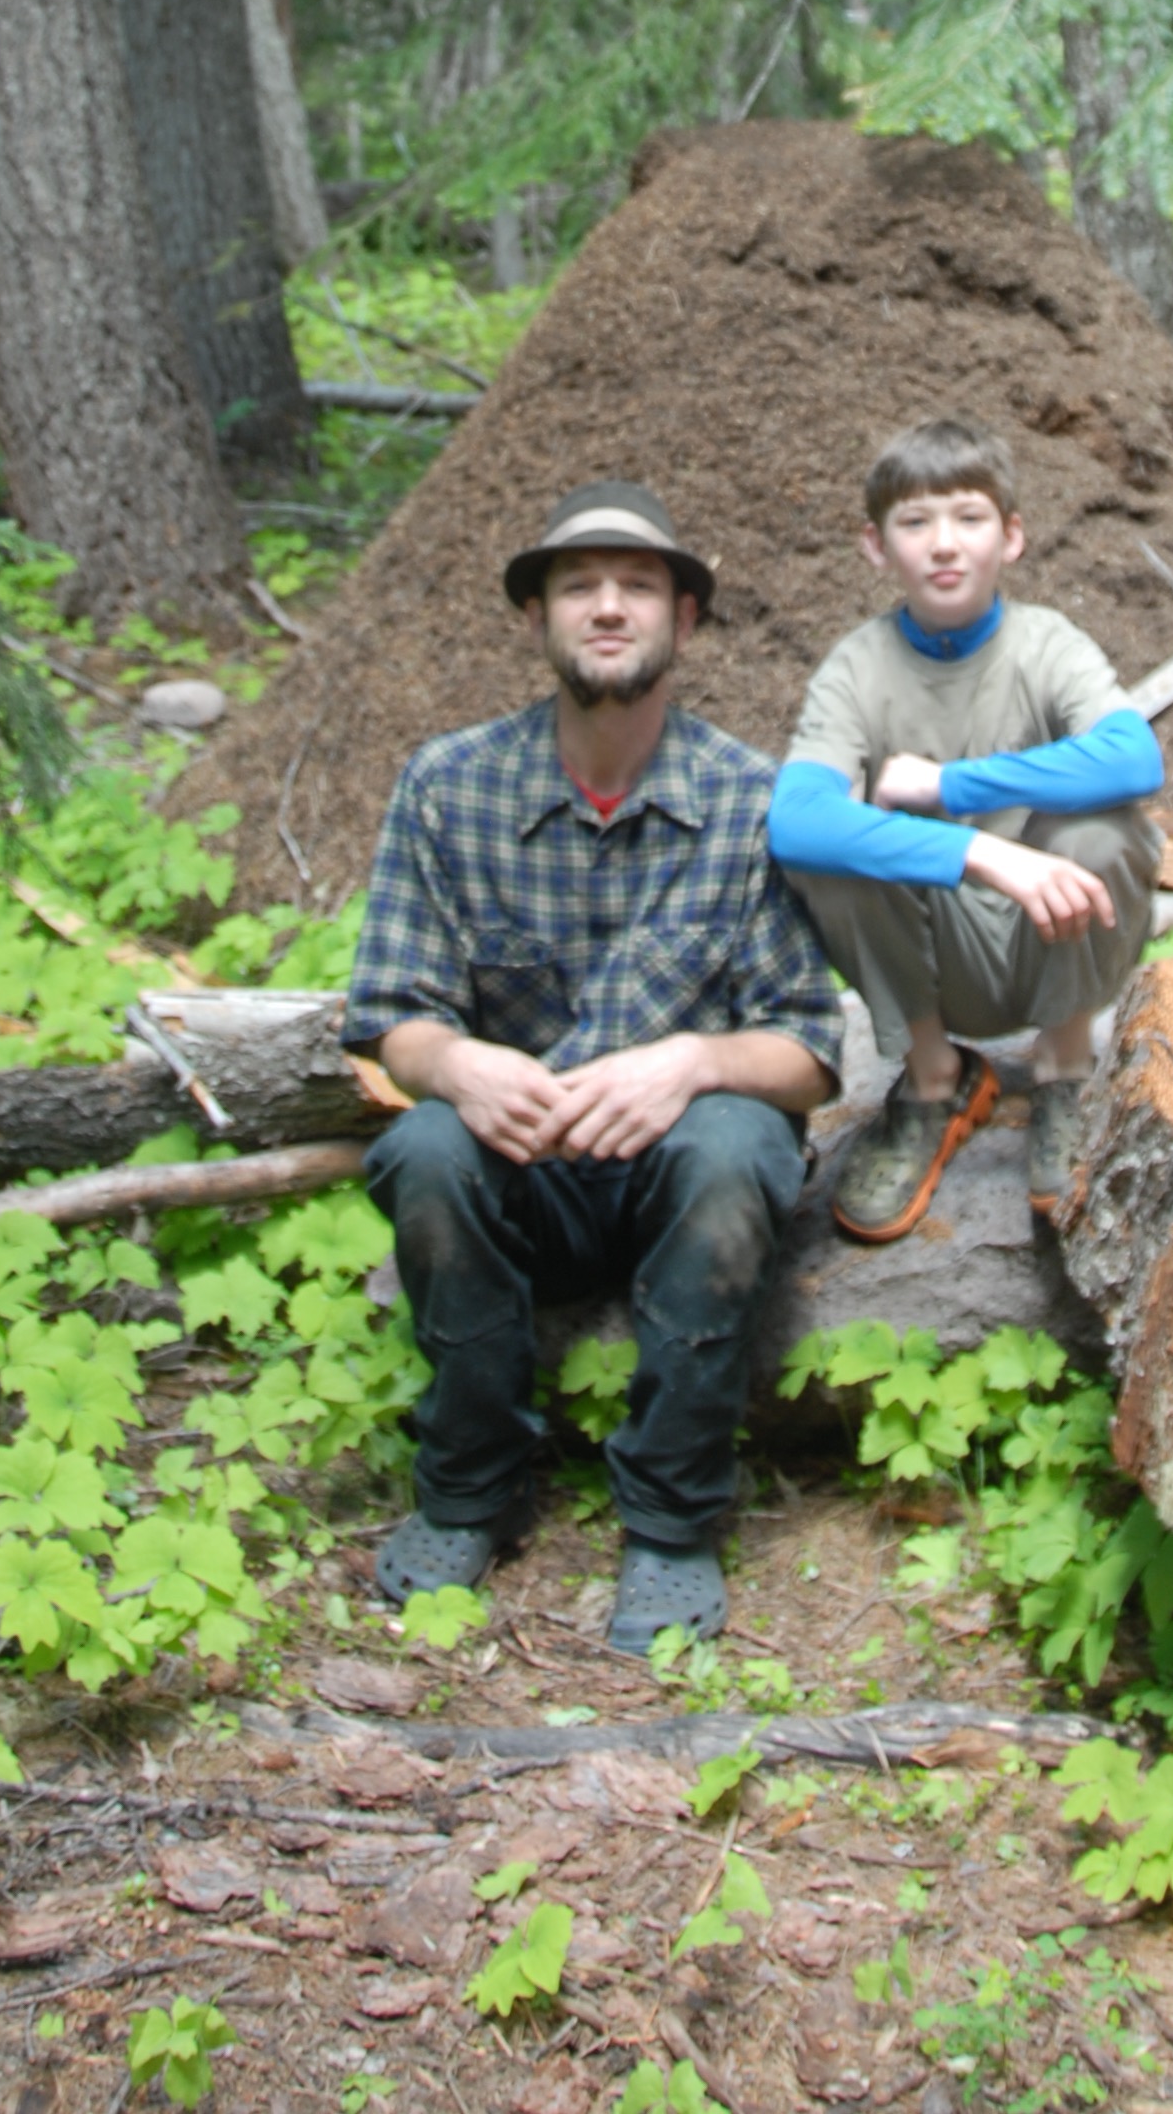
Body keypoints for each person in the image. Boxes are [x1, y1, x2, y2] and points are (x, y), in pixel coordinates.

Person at [341, 480, 842, 1657]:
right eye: (579, 586)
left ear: (685, 618)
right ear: (537, 616)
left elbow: (810, 1051)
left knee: (735, 1136)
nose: (608, 606)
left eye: (637, 586)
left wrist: (694, 1060)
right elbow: (394, 1018)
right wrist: (458, 1062)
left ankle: (670, 1521)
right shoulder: (450, 784)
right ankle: (469, 1489)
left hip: (684, 1184)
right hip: (523, 1178)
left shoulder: (753, 798)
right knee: (425, 1143)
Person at [767, 418, 1164, 1241]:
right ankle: (934, 1077)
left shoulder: (1046, 645)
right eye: (916, 522)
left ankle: (1063, 1066)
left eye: (969, 518)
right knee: (835, 856)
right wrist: (978, 851)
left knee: (1105, 832)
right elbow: (796, 820)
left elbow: (1134, 759)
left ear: (1010, 537)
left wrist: (952, 786)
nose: (944, 544)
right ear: (876, 547)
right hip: (933, 952)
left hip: (1048, 938)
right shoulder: (856, 669)